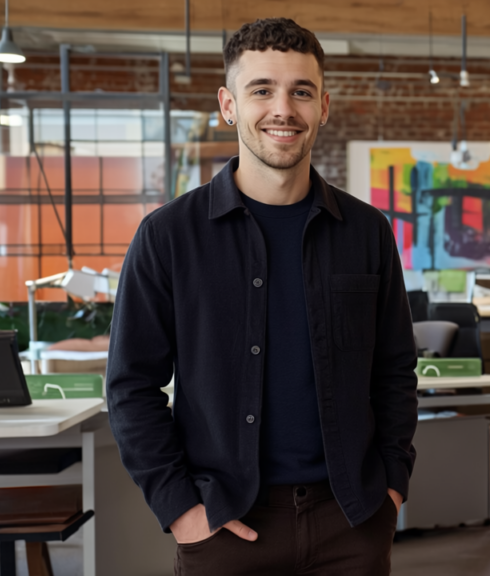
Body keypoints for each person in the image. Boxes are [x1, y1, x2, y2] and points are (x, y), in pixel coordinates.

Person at [107, 18, 418, 576]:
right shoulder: (168, 236)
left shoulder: (366, 231)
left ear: (323, 107)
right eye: (262, 90)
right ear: (229, 105)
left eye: (301, 91)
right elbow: (131, 385)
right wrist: (181, 509)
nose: (283, 109)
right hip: (225, 526)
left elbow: (394, 370)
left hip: (351, 521)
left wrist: (391, 487)